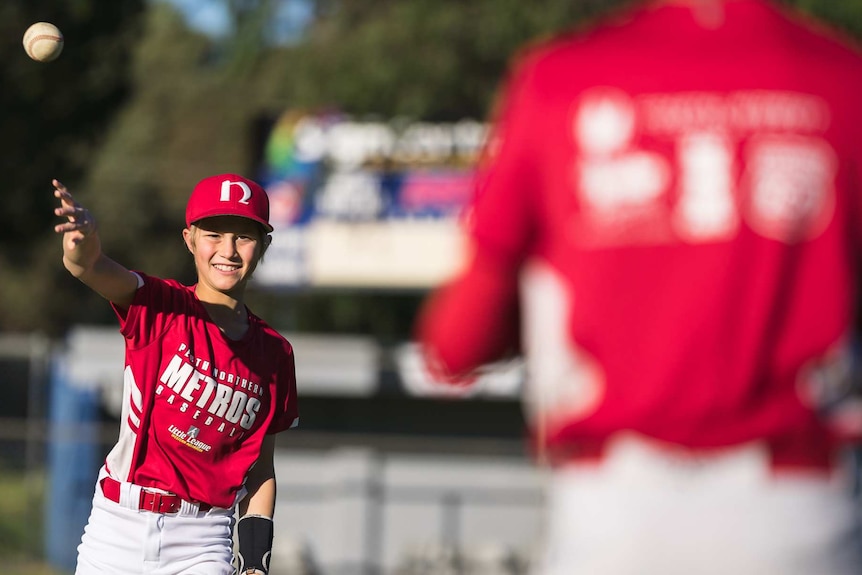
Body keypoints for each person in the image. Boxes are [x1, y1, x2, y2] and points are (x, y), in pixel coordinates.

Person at [416, 0, 862, 573]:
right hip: (798, 510)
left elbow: (456, 343)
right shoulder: (844, 78)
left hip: (616, 512)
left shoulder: (560, 78)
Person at [53, 173, 299, 575]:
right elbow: (90, 266)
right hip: (118, 527)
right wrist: (83, 240)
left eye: (244, 237)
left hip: (202, 540)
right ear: (189, 239)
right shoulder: (159, 305)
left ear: (265, 246)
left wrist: (255, 563)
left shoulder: (274, 353)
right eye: (214, 235)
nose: (229, 250)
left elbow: (261, 469)